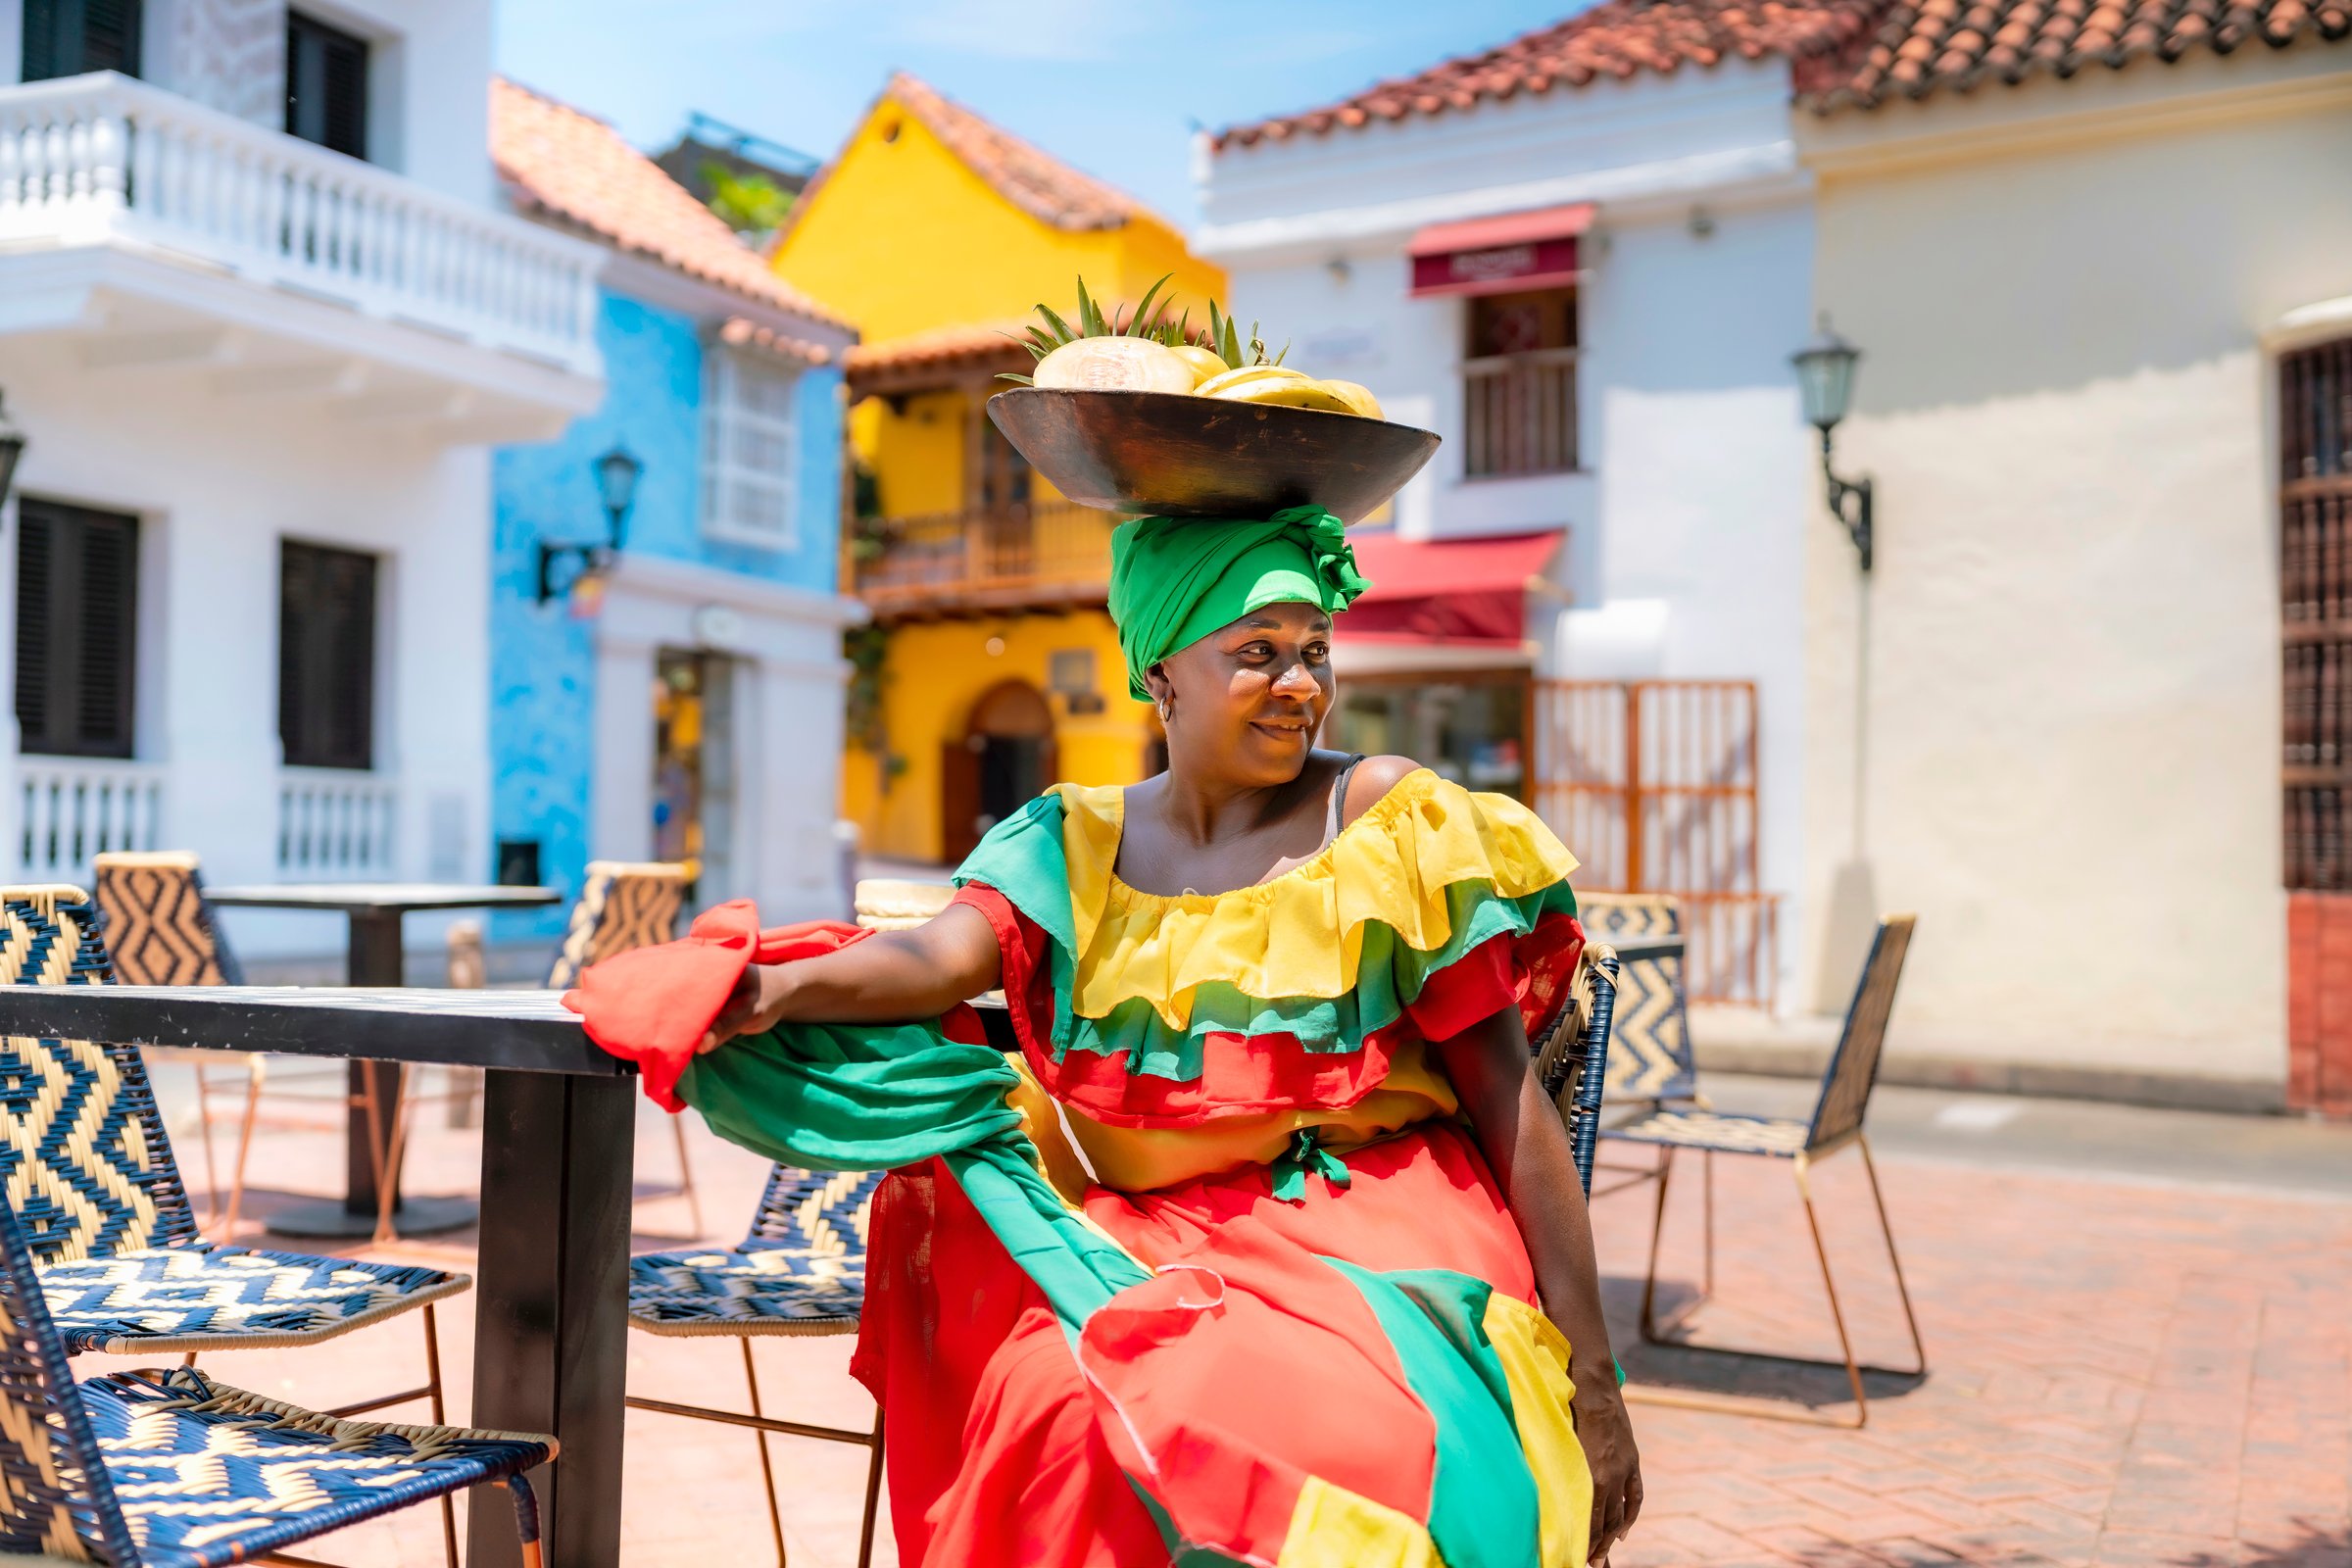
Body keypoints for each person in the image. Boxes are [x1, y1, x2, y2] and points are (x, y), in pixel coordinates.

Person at [671, 505, 1642, 1567]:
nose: (1303, 684)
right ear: (1161, 674)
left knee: (1323, 1427)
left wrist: (1595, 1380)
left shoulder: (1382, 819)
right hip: (1157, 1240)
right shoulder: (1071, 840)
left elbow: (1508, 1093)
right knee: (1057, 1403)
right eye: (1257, 653)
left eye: (1315, 651)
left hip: (1382, 1228)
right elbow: (940, 959)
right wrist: (770, 987)